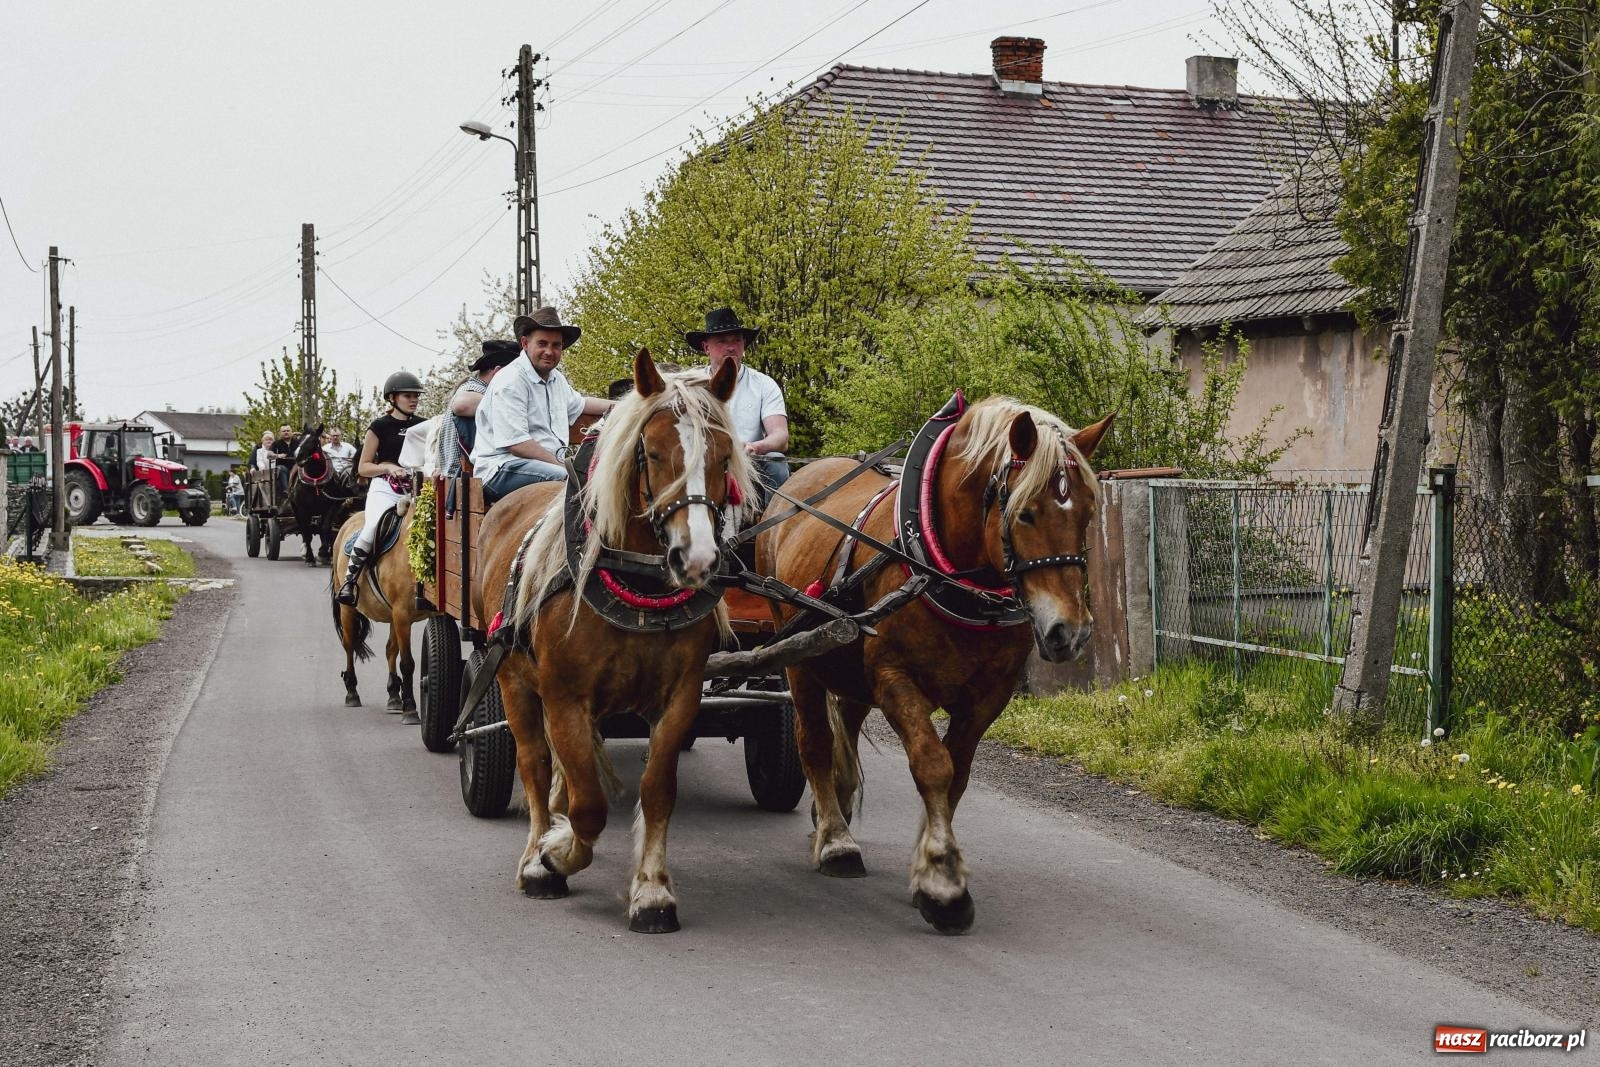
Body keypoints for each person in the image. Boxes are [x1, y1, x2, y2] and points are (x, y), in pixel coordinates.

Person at [470, 307, 613, 504]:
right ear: (525, 343)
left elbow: (581, 403)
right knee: (573, 481)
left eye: (556, 345)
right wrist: (564, 466)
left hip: (539, 466)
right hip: (502, 468)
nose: (549, 351)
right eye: (542, 343)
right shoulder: (511, 380)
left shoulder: (556, 379)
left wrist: (624, 405)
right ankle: (576, 536)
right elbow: (517, 444)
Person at [335, 372, 423, 606]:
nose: (414, 400)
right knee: (372, 526)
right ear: (392, 398)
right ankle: (350, 581)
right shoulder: (379, 427)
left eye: (416, 396)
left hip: (416, 488)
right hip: (385, 488)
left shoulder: (423, 425)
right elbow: (363, 468)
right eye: (408, 396)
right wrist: (386, 467)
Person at [686, 306, 789, 501]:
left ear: (744, 345)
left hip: (751, 463)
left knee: (777, 462)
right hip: (701, 461)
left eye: (736, 340)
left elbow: (780, 437)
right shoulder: (689, 384)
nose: (731, 347)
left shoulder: (764, 384)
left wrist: (755, 447)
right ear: (706, 347)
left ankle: (775, 526)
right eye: (722, 341)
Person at [439, 338, 520, 481]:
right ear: (498, 372)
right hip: (464, 478)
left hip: (461, 477)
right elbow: (461, 404)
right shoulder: (475, 389)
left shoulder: (479, 388)